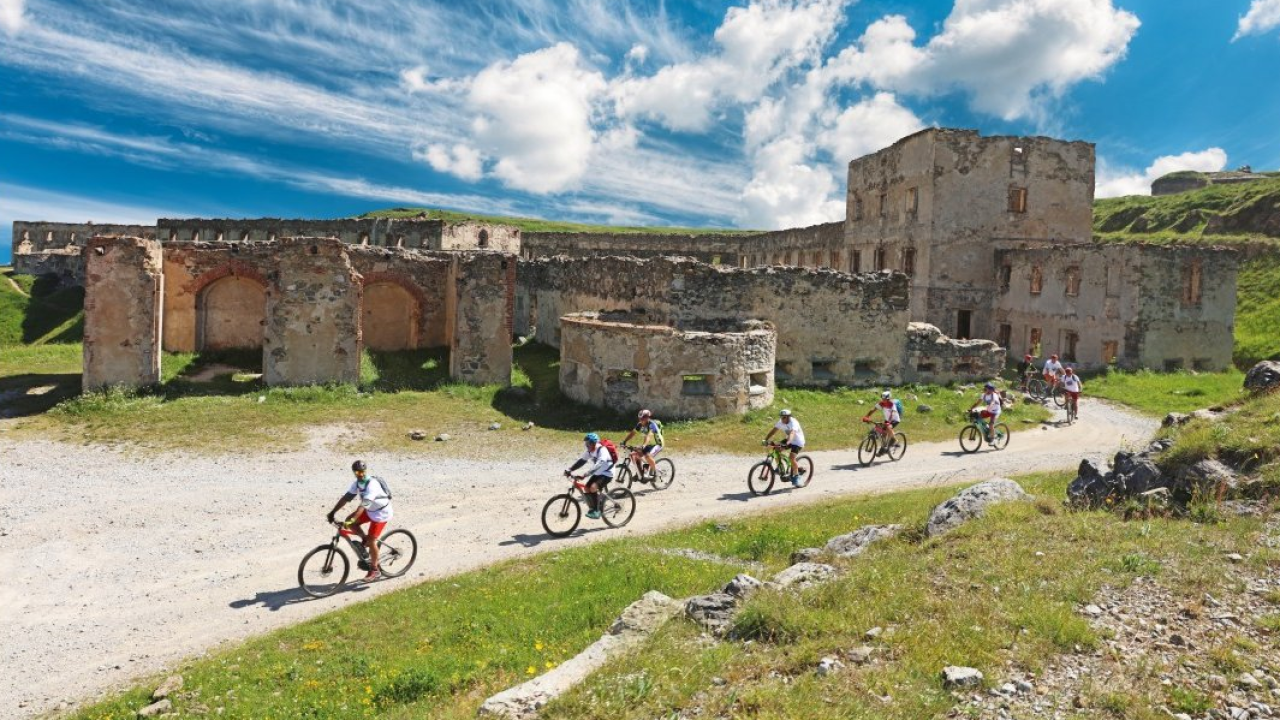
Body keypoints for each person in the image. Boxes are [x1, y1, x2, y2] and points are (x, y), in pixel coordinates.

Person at [326, 460, 393, 582]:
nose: (360, 474)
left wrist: (352, 519)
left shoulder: (372, 484)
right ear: (354, 472)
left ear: (365, 471)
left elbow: (363, 505)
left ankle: (375, 570)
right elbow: (346, 498)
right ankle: (364, 539)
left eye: (362, 471)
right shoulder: (357, 484)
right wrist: (332, 512)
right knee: (351, 522)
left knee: (372, 540)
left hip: (381, 513)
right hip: (370, 510)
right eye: (357, 472)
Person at [565, 433, 615, 520]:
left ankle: (597, 511)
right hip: (598, 473)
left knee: (592, 488)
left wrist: (585, 474)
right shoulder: (590, 451)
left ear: (594, 443)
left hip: (607, 473)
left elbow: (599, 464)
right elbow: (581, 461)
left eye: (588, 443)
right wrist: (570, 469)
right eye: (586, 443)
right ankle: (594, 507)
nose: (587, 445)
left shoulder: (602, 450)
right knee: (587, 488)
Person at [764, 409, 807, 486]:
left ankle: (797, 477)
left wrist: (788, 442)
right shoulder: (781, 422)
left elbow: (792, 433)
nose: (782, 419)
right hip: (789, 440)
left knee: (791, 458)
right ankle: (780, 468)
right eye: (781, 417)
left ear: (789, 417)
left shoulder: (794, 423)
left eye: (784, 417)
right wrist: (766, 439)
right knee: (776, 449)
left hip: (798, 442)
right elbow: (773, 430)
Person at [621, 409, 664, 481]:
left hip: (658, 444)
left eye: (642, 418)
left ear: (647, 417)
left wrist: (643, 445)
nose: (641, 420)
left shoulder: (652, 424)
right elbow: (633, 433)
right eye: (639, 418)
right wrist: (624, 441)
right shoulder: (640, 424)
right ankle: (640, 473)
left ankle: (656, 473)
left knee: (647, 456)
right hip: (648, 445)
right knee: (634, 454)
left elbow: (649, 436)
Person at [861, 390, 901, 455]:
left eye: (886, 399)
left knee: (888, 427)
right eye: (883, 399)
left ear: (889, 399)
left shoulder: (892, 404)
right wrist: (867, 416)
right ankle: (883, 448)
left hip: (894, 419)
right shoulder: (881, 403)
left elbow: (892, 413)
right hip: (887, 420)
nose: (884, 400)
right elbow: (873, 410)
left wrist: (888, 422)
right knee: (883, 433)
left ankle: (895, 440)